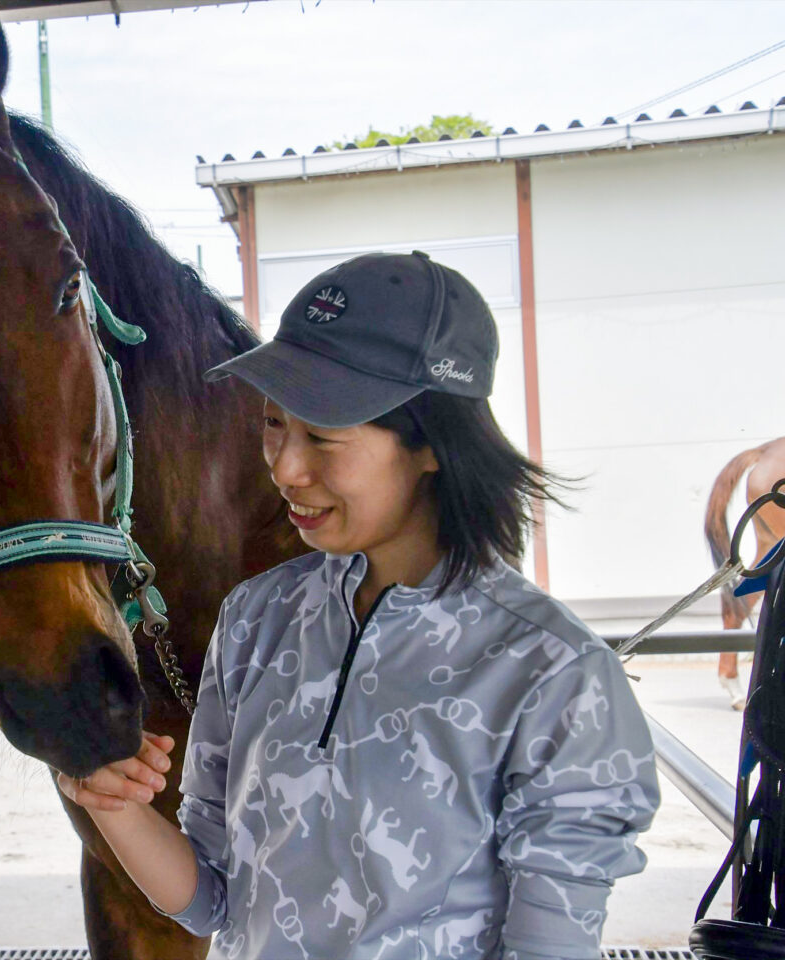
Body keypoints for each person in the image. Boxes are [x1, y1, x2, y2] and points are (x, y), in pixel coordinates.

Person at [58, 252, 659, 959]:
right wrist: (115, 804)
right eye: (273, 424)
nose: (284, 466)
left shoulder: (555, 677)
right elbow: (213, 900)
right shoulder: (256, 619)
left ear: (432, 444)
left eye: (322, 437)